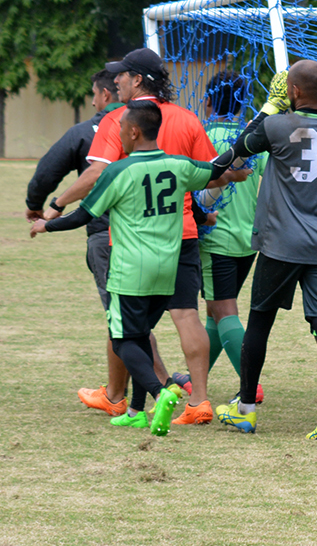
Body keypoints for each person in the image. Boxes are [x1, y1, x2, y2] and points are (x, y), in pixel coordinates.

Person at [31, 102, 240, 434]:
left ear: (133, 131)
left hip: (131, 271)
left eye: (120, 130)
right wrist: (243, 150)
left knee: (122, 340)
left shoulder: (118, 171)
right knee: (141, 334)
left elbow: (84, 215)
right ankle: (136, 410)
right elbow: (216, 170)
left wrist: (47, 225)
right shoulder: (179, 164)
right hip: (170, 267)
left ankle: (163, 391)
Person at [206, 61, 317, 440]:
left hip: (281, 242)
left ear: (290, 90)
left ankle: (246, 410)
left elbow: (238, 149)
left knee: (260, 321)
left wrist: (268, 108)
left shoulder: (277, 125)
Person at [26, 70, 173, 414]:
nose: (93, 101)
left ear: (108, 94)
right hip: (163, 237)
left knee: (124, 324)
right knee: (140, 321)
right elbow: (204, 171)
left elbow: (52, 173)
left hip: (112, 237)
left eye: (95, 94)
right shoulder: (169, 119)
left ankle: (155, 388)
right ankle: (130, 397)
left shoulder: (100, 129)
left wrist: (43, 209)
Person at [198, 71, 264, 401]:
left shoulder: (201, 135)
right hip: (248, 237)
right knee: (216, 312)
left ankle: (251, 384)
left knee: (223, 310)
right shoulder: (251, 136)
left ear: (208, 100)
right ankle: (195, 380)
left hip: (215, 234)